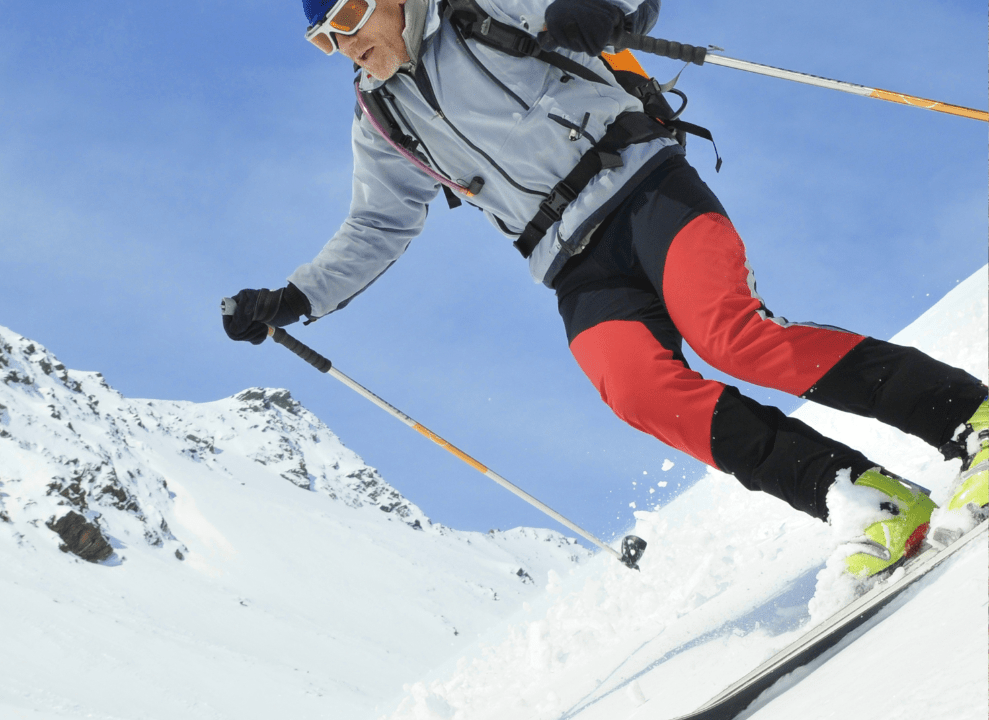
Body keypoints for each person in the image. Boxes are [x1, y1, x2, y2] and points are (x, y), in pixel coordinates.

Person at [222, 0, 988, 576]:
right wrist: (293, 298)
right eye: (325, 37)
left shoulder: (479, 8)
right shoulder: (381, 116)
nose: (347, 43)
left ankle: (969, 417)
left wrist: (597, 10)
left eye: (352, 16)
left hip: (646, 188)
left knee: (731, 336)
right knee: (638, 392)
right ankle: (864, 498)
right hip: (571, 263)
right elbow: (376, 228)